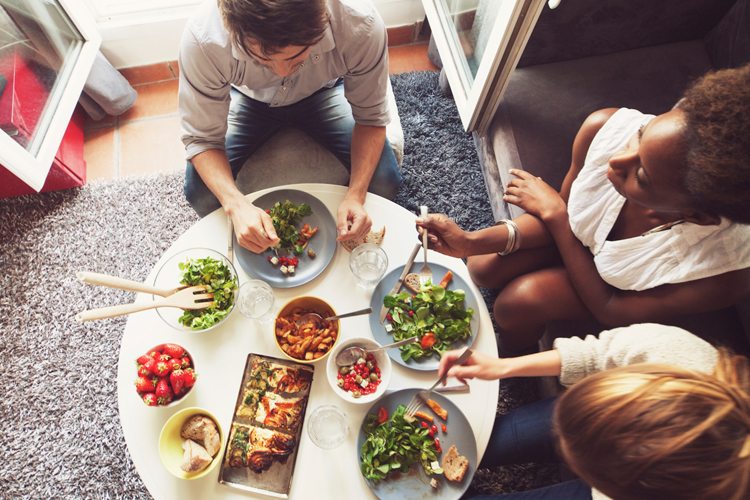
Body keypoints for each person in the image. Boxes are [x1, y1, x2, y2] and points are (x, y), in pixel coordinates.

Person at [417, 64, 750, 353]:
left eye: (643, 176)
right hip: (578, 238)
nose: (615, 163)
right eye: (641, 135)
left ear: (697, 216)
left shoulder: (724, 274)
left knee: (517, 303)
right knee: (481, 267)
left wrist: (556, 214)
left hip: (612, 293)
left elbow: (611, 310)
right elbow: (570, 220)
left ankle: (515, 350)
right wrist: (469, 242)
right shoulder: (603, 128)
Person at [179, 0, 403, 252]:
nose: (282, 72)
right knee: (200, 193)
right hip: (248, 99)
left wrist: (356, 195)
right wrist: (235, 205)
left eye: (297, 56)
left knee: (385, 179)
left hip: (325, 91)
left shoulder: (361, 25)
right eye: (263, 59)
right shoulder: (203, 39)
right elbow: (201, 140)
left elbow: (371, 119)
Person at [438, 323, 750, 499]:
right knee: (468, 441)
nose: (559, 442)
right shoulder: (666, 349)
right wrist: (504, 366)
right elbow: (593, 355)